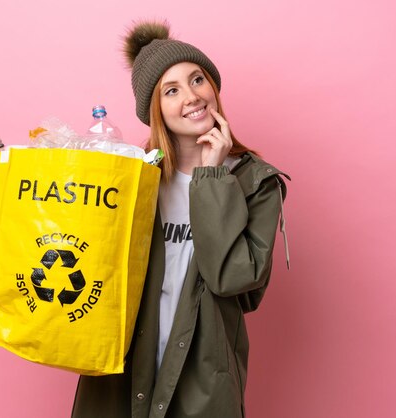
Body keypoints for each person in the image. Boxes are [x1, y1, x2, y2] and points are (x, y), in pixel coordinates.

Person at [70, 20, 290, 418]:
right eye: (172, 90)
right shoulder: (133, 178)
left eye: (197, 80)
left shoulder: (255, 181)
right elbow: (82, 252)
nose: (192, 97)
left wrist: (212, 177)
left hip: (202, 379)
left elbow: (234, 280)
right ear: (156, 110)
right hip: (121, 371)